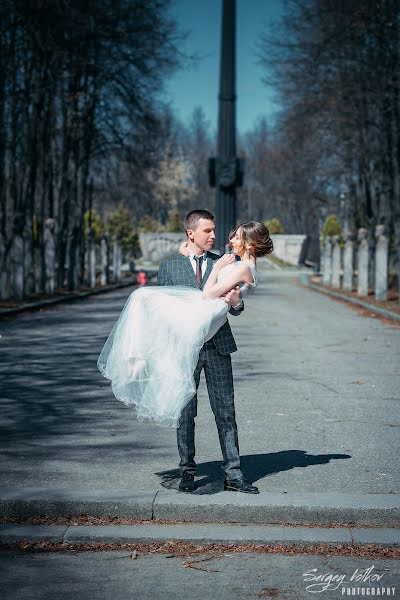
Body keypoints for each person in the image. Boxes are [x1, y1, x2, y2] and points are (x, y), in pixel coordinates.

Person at [97, 210, 273, 494]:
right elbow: (164, 312)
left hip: (217, 346)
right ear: (191, 233)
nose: (214, 236)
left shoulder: (224, 261)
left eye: (215, 230)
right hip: (182, 348)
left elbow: (235, 303)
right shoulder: (169, 267)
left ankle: (233, 473)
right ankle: (187, 472)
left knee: (225, 412)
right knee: (184, 412)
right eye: (207, 231)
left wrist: (238, 303)